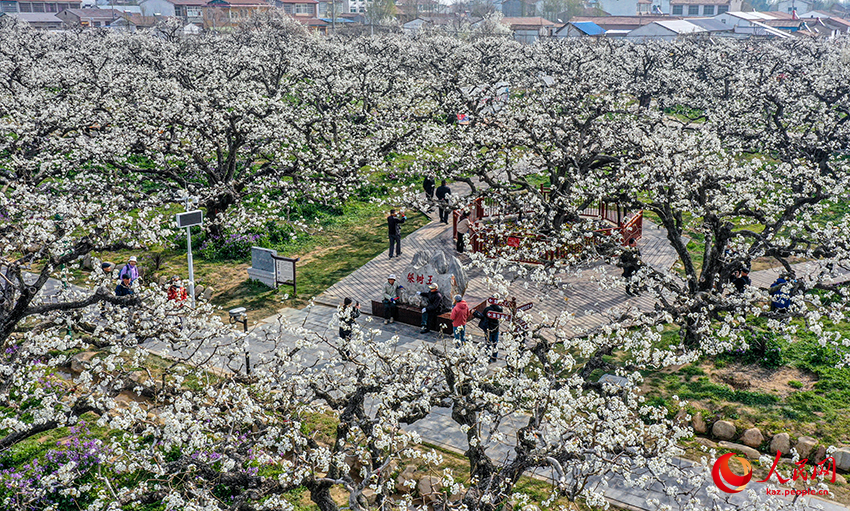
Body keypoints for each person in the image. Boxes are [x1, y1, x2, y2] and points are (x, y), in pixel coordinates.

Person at [473, 298, 503, 363]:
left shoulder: (488, 309)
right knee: (495, 343)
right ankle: (494, 356)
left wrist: (475, 313)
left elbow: (482, 317)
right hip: (496, 328)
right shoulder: (500, 309)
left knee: (488, 343)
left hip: (488, 328)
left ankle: (488, 357)